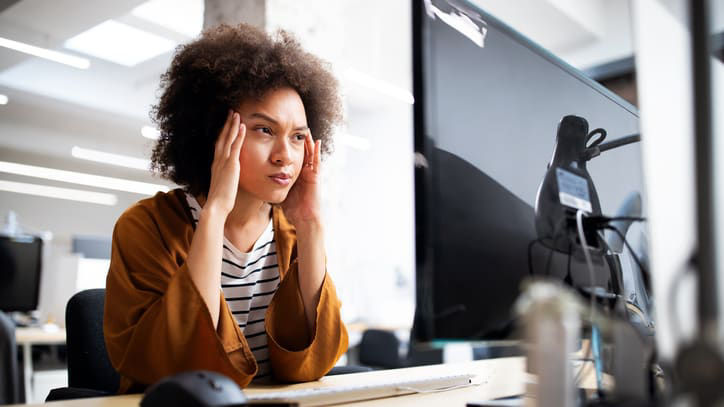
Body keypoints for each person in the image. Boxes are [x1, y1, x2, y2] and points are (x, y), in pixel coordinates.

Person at [103, 23, 348, 393]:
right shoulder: (145, 227)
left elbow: (313, 362)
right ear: (214, 132)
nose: (285, 156)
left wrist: (312, 225)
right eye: (264, 130)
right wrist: (215, 211)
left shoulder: (293, 232)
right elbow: (179, 369)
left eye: (298, 136)